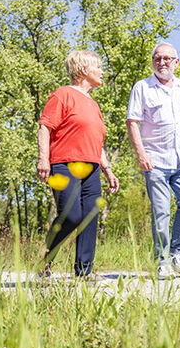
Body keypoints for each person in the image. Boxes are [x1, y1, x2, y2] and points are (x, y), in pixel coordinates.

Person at [37, 50, 119, 278]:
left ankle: (84, 271)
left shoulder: (93, 104)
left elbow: (97, 141)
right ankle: (46, 257)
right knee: (71, 216)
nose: (103, 72)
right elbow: (45, 127)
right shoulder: (62, 95)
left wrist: (108, 170)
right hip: (64, 164)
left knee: (90, 217)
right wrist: (43, 158)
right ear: (84, 70)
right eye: (98, 67)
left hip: (92, 168)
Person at [126, 42, 180, 279]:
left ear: (176, 62)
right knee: (161, 211)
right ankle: (162, 261)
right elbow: (132, 122)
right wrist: (141, 154)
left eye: (167, 58)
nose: (162, 62)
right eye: (157, 58)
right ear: (153, 61)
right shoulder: (142, 87)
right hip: (155, 160)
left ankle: (178, 253)